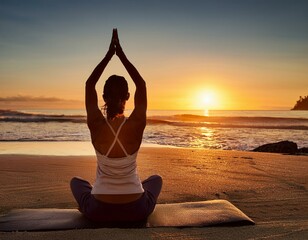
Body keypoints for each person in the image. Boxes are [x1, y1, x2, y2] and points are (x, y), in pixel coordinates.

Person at [70, 29, 162, 224]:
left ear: (103, 97)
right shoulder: (136, 124)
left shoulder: (96, 124)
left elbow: (89, 84)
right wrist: (120, 54)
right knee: (155, 180)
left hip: (99, 210)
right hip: (136, 209)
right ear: (128, 96)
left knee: (77, 183)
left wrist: (108, 56)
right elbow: (141, 84)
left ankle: (87, 205)